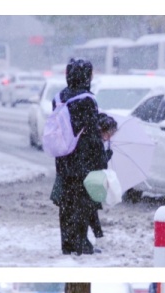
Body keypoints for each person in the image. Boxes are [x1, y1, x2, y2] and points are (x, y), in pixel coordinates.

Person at [53, 59, 106, 256]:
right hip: (83, 160)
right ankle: (81, 243)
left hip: (63, 159)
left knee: (66, 203)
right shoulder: (87, 100)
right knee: (83, 203)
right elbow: (92, 135)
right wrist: (102, 161)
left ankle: (67, 243)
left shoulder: (58, 98)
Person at [87, 114, 119, 242]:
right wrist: (107, 155)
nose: (110, 137)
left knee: (90, 210)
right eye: (110, 133)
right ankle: (98, 237)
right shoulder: (96, 141)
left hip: (87, 179)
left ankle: (98, 236)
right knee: (90, 209)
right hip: (89, 180)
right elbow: (100, 163)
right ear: (105, 130)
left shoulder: (92, 138)